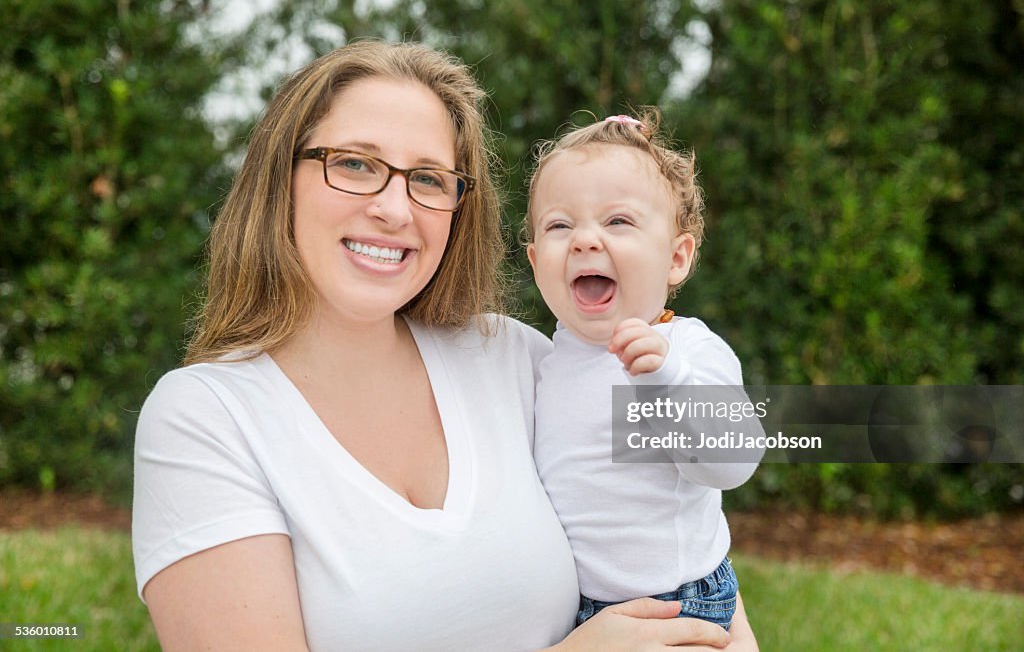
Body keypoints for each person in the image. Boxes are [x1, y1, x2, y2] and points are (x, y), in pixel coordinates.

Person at [132, 40, 758, 651]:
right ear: (279, 178)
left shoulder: (516, 358)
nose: (393, 208)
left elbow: (674, 531)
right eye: (354, 163)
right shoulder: (205, 419)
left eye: (428, 179)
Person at [525, 112, 762, 630]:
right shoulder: (547, 361)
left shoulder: (686, 347)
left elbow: (734, 461)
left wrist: (667, 379)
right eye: (560, 225)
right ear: (535, 259)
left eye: (618, 222)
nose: (586, 240)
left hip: (678, 600)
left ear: (676, 258)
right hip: (583, 610)